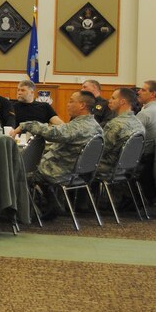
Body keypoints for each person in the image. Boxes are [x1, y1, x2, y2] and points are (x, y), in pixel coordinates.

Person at [11, 91, 103, 219]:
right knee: (38, 169)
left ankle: (25, 215)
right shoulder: (95, 126)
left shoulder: (79, 127)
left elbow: (54, 133)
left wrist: (25, 125)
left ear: (82, 105)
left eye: (71, 101)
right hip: (79, 172)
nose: (68, 104)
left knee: (17, 174)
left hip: (61, 171)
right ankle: (53, 204)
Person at [96, 88, 145, 176]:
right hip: (127, 167)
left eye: (113, 98)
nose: (109, 101)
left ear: (122, 101)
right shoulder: (138, 123)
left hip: (108, 167)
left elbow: (101, 149)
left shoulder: (115, 124)